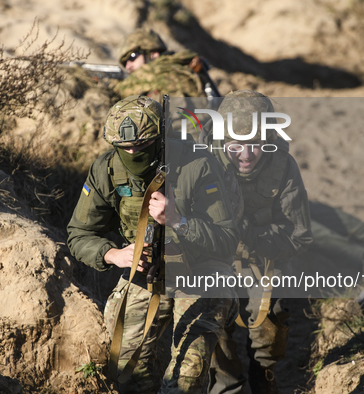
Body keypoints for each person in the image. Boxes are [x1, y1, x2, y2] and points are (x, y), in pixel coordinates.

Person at [67, 95, 240, 394]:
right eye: (125, 148)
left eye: (142, 146)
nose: (133, 152)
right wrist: (113, 254)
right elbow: (79, 234)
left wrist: (178, 221)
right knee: (125, 368)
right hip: (147, 274)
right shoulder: (107, 170)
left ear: (160, 138)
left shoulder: (197, 163)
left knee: (187, 376)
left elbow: (226, 241)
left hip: (201, 271)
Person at [198, 90, 313, 394]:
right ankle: (227, 385)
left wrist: (251, 234)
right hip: (214, 257)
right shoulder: (202, 163)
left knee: (268, 330)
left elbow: (298, 234)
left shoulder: (282, 167)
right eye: (235, 146)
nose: (246, 156)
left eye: (255, 145)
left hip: (262, 257)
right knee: (211, 319)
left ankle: (264, 376)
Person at [114, 28, 216, 101]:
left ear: (153, 54)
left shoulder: (159, 70)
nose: (128, 66)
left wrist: (107, 84)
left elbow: (121, 90)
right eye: (125, 63)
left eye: (132, 56)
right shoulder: (179, 64)